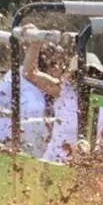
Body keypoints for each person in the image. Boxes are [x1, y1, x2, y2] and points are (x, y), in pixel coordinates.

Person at [21, 26, 79, 163]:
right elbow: (30, 74)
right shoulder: (64, 90)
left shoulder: (101, 97)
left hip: (78, 162)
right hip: (54, 159)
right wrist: (35, 44)